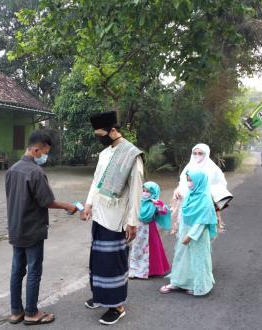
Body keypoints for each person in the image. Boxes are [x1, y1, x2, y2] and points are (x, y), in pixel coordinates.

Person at [5, 129, 77, 326]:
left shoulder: (12, 170)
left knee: (17, 270)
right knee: (33, 270)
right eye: (45, 152)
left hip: (16, 226)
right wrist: (68, 206)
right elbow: (46, 201)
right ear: (37, 149)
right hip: (32, 228)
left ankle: (15, 311)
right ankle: (31, 312)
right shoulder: (35, 172)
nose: (46, 156)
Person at [80, 111, 143, 325]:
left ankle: (117, 305)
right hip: (99, 215)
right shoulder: (104, 153)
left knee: (113, 262)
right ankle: (100, 296)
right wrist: (89, 204)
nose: (99, 137)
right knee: (98, 260)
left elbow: (136, 190)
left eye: (100, 134)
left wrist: (132, 221)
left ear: (113, 131)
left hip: (117, 219)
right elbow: (96, 182)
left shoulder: (131, 154)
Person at [160, 170, 218, 296]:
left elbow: (203, 220)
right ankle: (177, 282)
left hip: (198, 235)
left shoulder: (206, 198)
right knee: (181, 257)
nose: (189, 183)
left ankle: (196, 285)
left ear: (199, 182)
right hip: (185, 230)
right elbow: (184, 213)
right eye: (188, 180)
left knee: (197, 259)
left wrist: (191, 236)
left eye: (191, 180)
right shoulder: (190, 194)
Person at [173, 143, 228, 231]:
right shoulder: (189, 167)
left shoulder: (213, 169)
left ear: (206, 153)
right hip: (188, 203)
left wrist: (209, 193)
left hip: (204, 204)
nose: (197, 155)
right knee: (186, 230)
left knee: (201, 232)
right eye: (195, 153)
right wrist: (179, 191)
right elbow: (183, 182)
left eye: (200, 153)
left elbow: (221, 185)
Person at [129, 181, 171, 279]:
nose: (145, 193)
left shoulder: (154, 203)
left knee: (150, 249)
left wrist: (159, 204)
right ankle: (134, 270)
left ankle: (150, 270)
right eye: (143, 190)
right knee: (136, 249)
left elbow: (164, 211)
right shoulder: (139, 201)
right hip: (138, 229)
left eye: (148, 191)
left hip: (149, 229)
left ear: (154, 192)